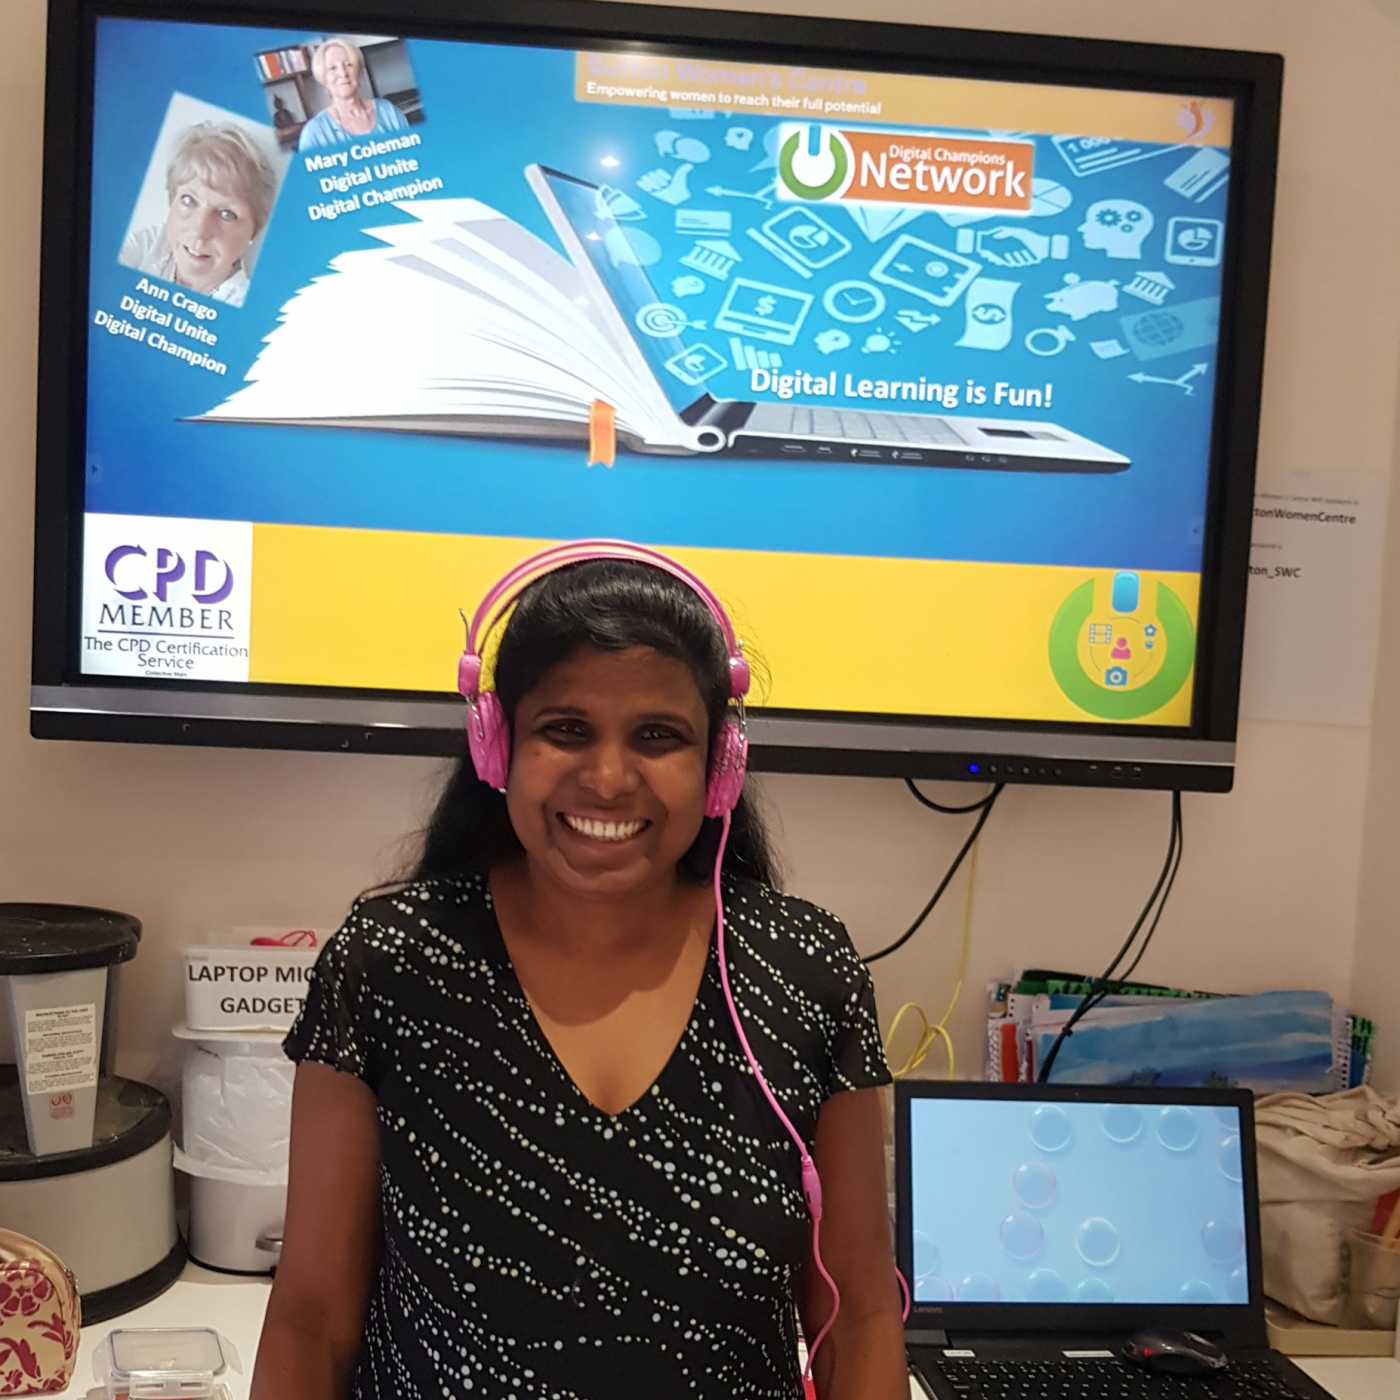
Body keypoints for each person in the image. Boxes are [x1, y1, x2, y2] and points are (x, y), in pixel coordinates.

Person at [251, 545, 908, 1400]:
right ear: (497, 746)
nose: (606, 778)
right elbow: (311, 1317)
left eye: (658, 736)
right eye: (566, 729)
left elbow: (855, 1313)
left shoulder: (802, 971)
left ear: (719, 767)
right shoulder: (392, 963)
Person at [119, 122, 277, 307]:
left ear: (254, 230)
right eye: (189, 201)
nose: (199, 231)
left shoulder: (246, 307)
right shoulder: (148, 245)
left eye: (227, 214)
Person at [298, 37, 408, 150]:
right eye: (332, 68)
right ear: (323, 78)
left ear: (359, 71)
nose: (343, 73)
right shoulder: (314, 133)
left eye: (349, 64)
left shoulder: (388, 112)